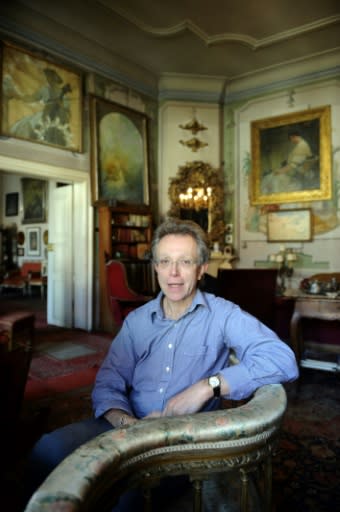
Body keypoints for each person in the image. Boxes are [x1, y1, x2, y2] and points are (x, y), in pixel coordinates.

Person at [24, 218, 298, 509]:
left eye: (185, 262)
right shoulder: (137, 321)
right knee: (46, 450)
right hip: (125, 426)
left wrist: (208, 386)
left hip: (181, 441)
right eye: (165, 261)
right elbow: (109, 380)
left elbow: (283, 360)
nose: (174, 273)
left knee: (128, 497)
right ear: (155, 267)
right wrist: (127, 423)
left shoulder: (223, 315)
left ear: (202, 268)